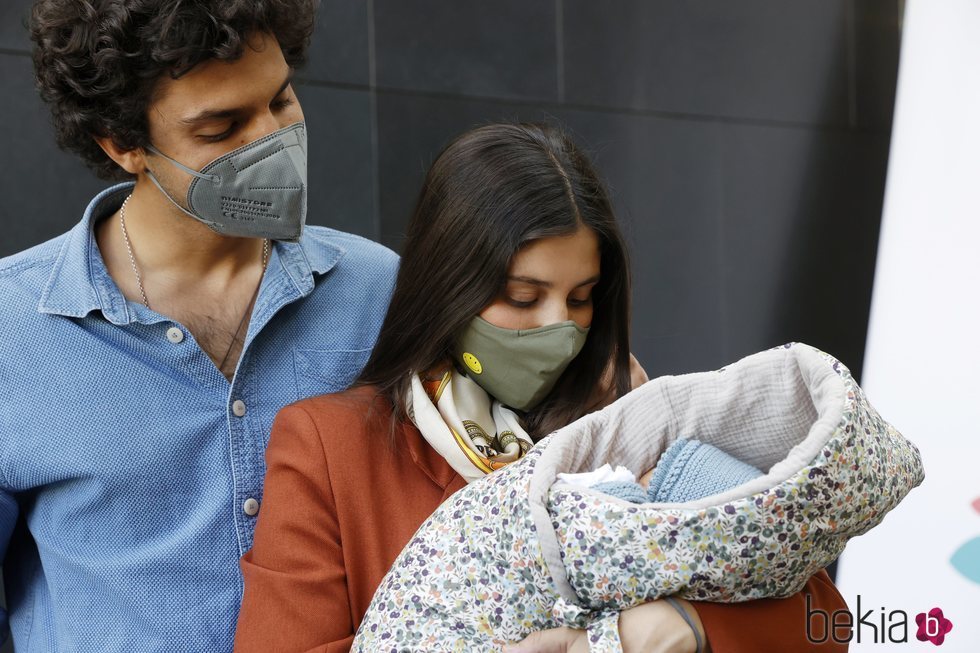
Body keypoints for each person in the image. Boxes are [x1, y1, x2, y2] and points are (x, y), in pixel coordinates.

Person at [234, 123, 848, 653]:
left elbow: (826, 617)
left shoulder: (627, 423)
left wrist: (679, 625)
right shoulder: (332, 447)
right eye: (522, 297)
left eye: (580, 300)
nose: (558, 329)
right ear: (449, 287)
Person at [0, 2, 397, 651]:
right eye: (222, 127)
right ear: (121, 141)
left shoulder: (382, 292)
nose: (270, 138)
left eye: (280, 100)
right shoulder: (11, 332)